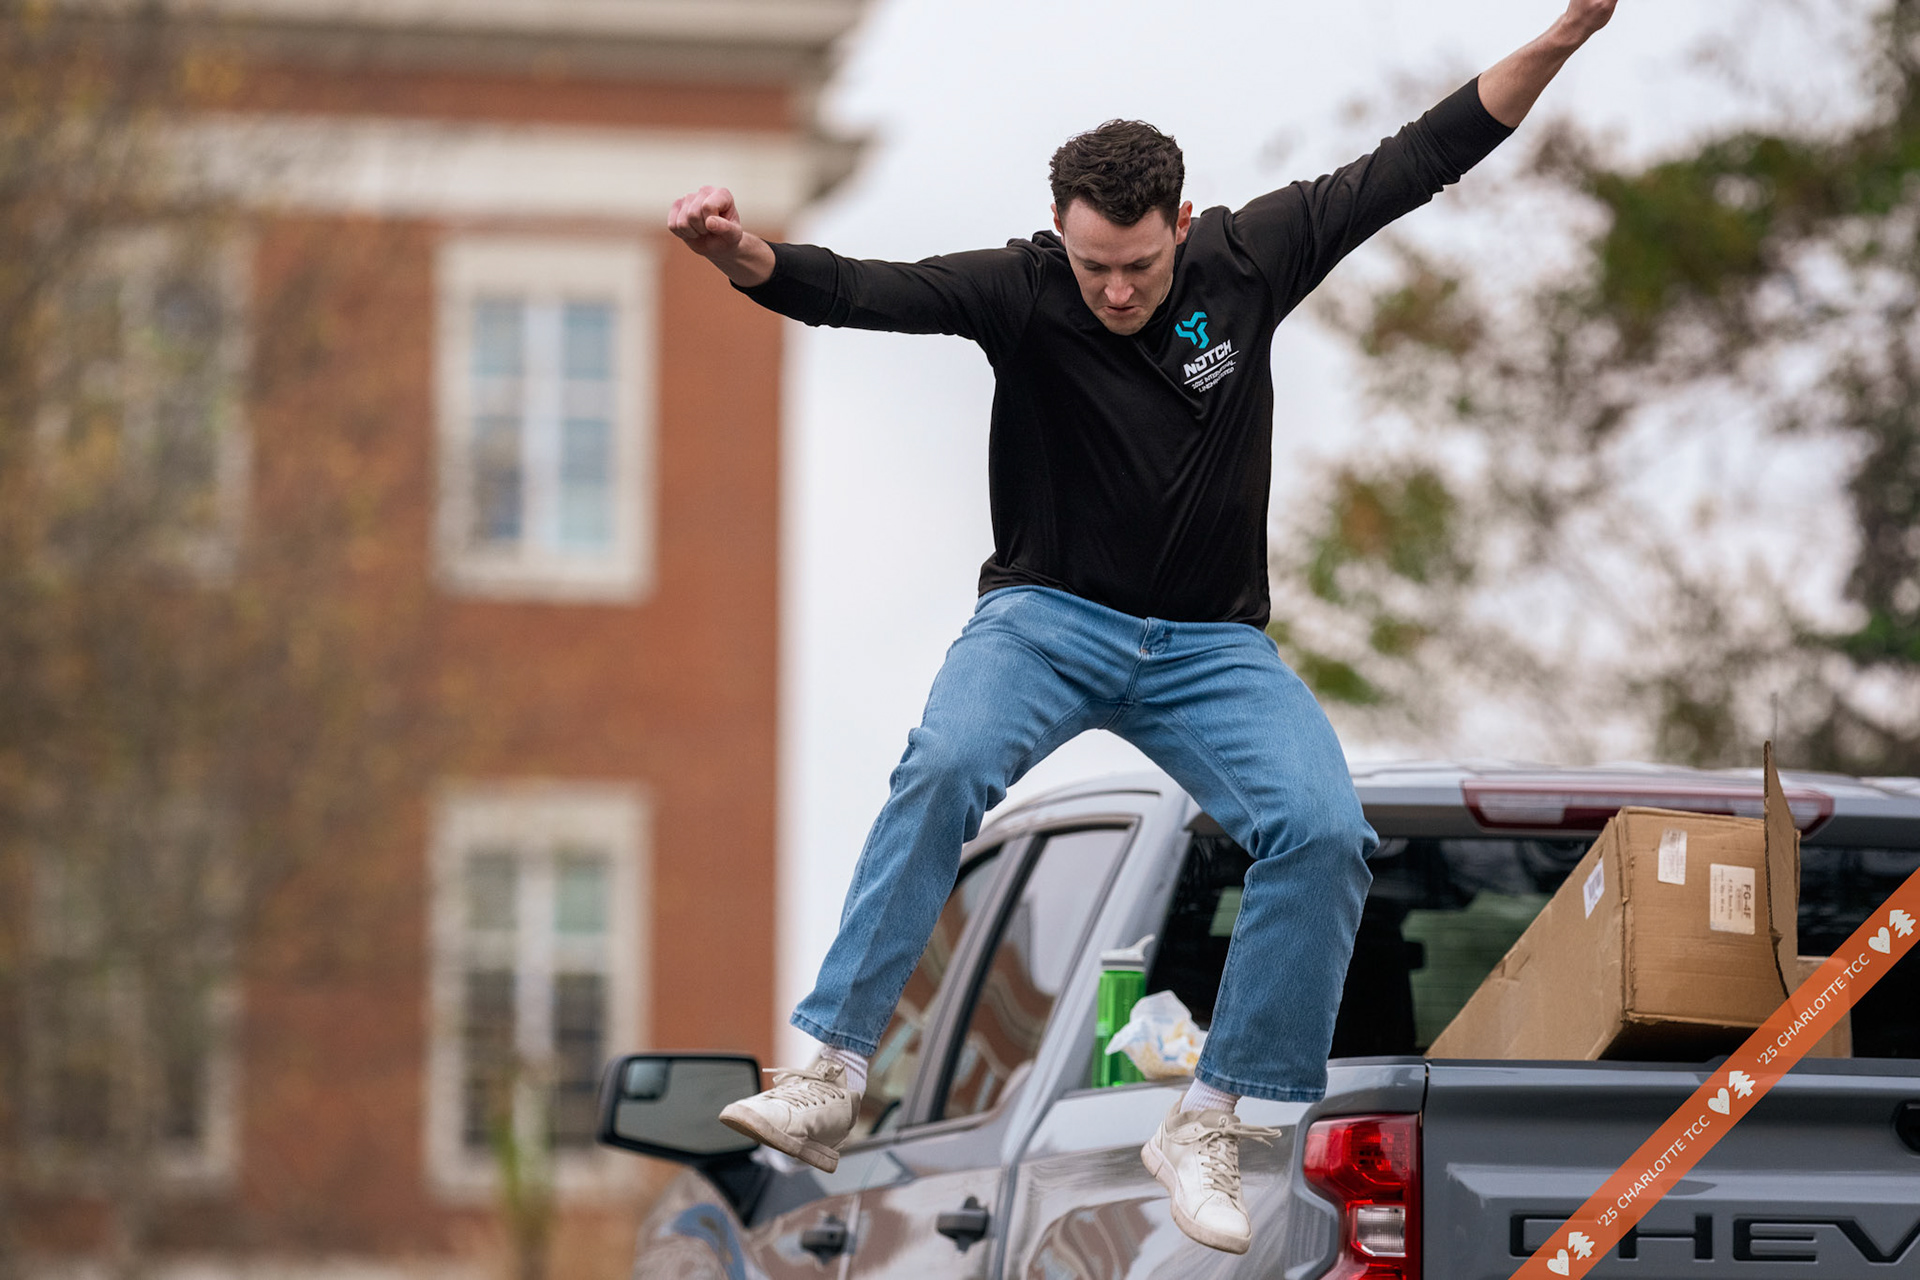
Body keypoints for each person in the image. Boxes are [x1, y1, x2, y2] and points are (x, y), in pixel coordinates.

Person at [672, 0, 1618, 1254]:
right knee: (948, 763)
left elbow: (1419, 157)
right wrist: (745, 255)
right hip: (1044, 621)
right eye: (1090, 266)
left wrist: (1564, 37)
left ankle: (1215, 1113)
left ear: (1182, 225)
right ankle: (834, 1066)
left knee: (1327, 830)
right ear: (1059, 236)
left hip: (1213, 650)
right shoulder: (1022, 289)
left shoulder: (1253, 257)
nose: (1113, 290)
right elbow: (858, 290)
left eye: (1138, 265)